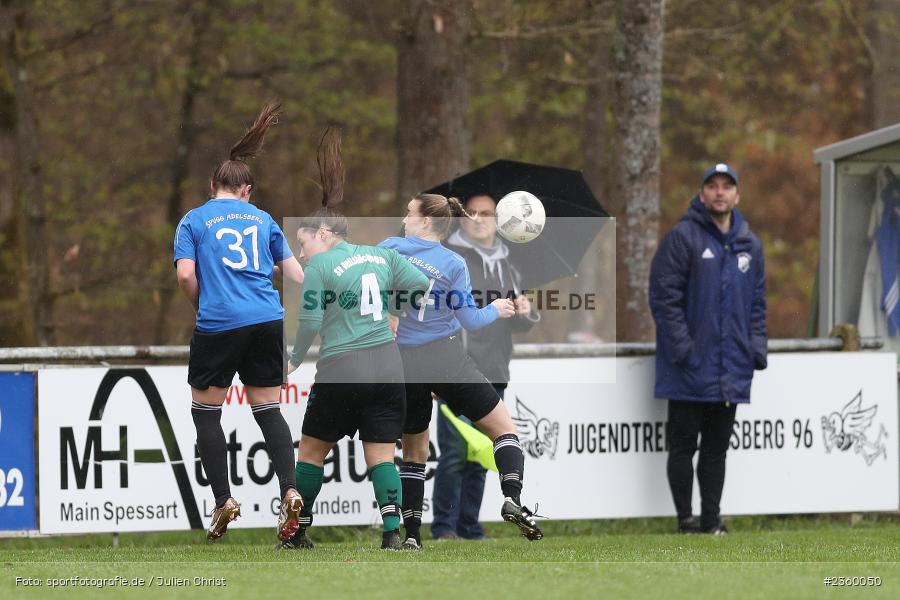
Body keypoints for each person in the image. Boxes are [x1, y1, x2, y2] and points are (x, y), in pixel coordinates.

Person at [280, 129, 431, 551]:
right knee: (381, 455)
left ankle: (298, 532)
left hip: (342, 366)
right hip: (386, 364)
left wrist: (294, 358)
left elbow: (310, 320)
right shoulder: (383, 255)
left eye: (303, 243)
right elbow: (421, 285)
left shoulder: (321, 266)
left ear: (323, 232)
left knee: (312, 452)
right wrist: (394, 311)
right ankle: (391, 534)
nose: (302, 253)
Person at [379, 193, 544, 550]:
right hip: (446, 358)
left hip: (404, 362)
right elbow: (471, 319)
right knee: (504, 430)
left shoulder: (389, 249)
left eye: (408, 213)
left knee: (414, 452)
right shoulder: (454, 262)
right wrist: (497, 309)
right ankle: (512, 497)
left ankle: (411, 536)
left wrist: (389, 310)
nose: (404, 219)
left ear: (426, 220)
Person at [173, 101, 306, 542]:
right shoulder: (264, 219)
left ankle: (224, 500)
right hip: (267, 319)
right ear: (246, 190)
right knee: (268, 410)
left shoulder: (194, 220)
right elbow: (296, 276)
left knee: (206, 414)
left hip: (219, 322)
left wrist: (202, 304)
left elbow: (186, 275)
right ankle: (289, 490)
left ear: (212, 186)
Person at [648, 163, 767, 535]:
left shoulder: (750, 244)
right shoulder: (682, 238)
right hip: (688, 367)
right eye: (712, 186)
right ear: (701, 194)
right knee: (683, 447)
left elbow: (757, 304)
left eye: (726, 186)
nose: (719, 192)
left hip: (731, 367)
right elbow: (663, 299)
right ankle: (686, 520)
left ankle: (712, 521)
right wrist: (684, 350)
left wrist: (755, 348)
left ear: (737, 195)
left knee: (717, 449)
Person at [431, 193, 539, 541]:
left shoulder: (510, 263)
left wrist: (525, 311)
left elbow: (521, 323)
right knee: (454, 453)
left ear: (500, 219)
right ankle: (444, 527)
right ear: (461, 219)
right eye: (472, 212)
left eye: (487, 213)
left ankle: (469, 527)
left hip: (495, 370)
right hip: (456, 370)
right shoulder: (450, 259)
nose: (478, 218)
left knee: (482, 454)